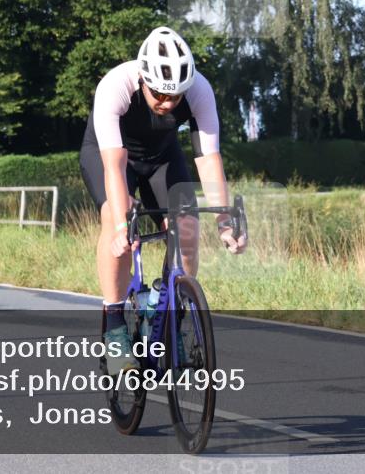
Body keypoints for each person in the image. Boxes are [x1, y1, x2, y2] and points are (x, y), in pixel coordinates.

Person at [80, 26, 246, 374]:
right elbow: (114, 166)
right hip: (112, 157)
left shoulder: (199, 90)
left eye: (176, 96)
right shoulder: (115, 86)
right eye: (159, 94)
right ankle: (115, 328)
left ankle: (170, 314)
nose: (168, 104)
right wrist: (122, 225)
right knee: (116, 221)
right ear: (143, 79)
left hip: (162, 158)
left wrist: (224, 221)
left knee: (187, 228)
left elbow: (208, 159)